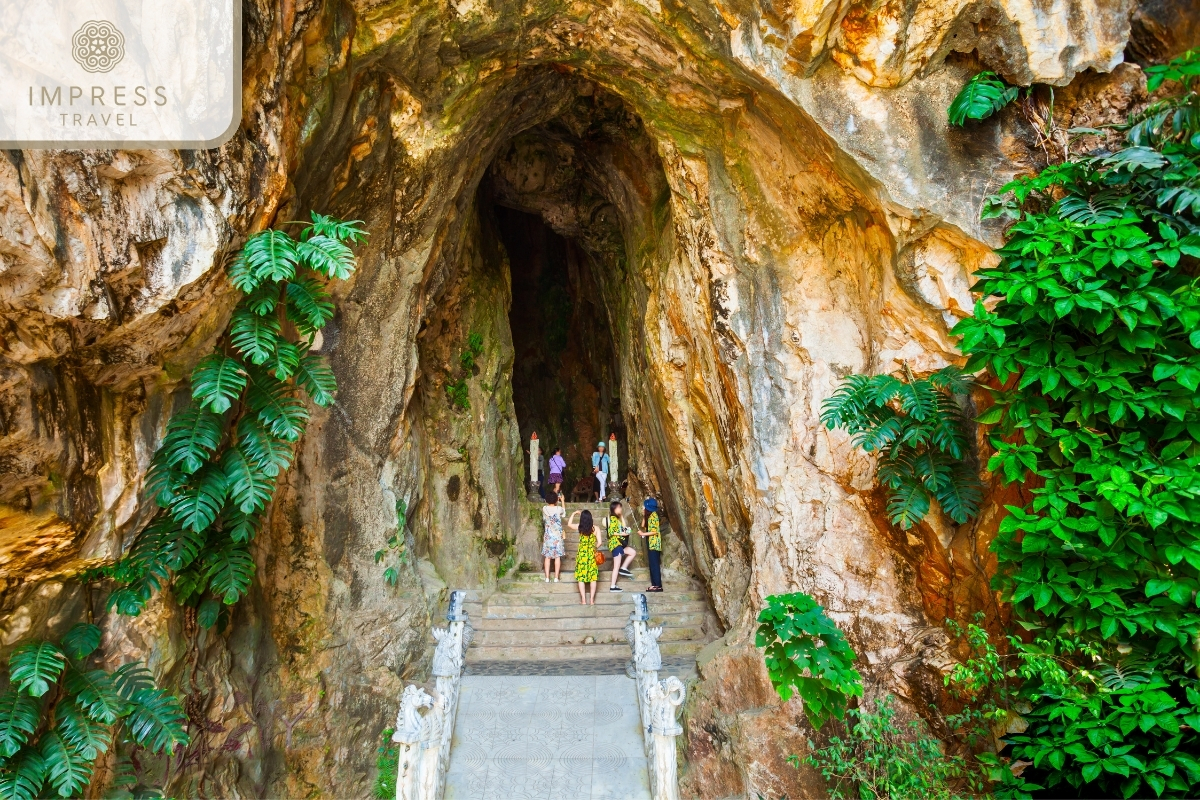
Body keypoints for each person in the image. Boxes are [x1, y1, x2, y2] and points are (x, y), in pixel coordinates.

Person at [568, 509, 599, 605]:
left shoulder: (580, 527)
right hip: (591, 555)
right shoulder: (596, 528)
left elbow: (569, 524)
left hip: (582, 555)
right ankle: (592, 600)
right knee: (593, 578)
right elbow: (600, 542)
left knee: (581, 578)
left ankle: (583, 600)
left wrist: (573, 513)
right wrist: (593, 548)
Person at [606, 500, 636, 592]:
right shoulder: (613, 519)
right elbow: (611, 532)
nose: (621, 509)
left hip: (620, 544)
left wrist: (622, 517)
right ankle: (613, 586)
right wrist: (623, 534)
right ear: (614, 508)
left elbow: (623, 527)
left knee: (632, 552)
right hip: (616, 544)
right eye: (619, 507)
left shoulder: (617, 519)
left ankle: (624, 568)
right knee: (616, 566)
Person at [638, 497, 663, 592]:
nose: (643, 507)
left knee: (655, 564)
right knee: (652, 564)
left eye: (645, 506)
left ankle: (658, 586)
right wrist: (644, 515)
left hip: (654, 543)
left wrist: (643, 534)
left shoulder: (654, 516)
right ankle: (654, 584)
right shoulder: (650, 515)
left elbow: (654, 531)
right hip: (651, 543)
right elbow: (643, 525)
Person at [541, 489, 566, 582]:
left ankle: (547, 578)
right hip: (557, 536)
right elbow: (564, 514)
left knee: (547, 557)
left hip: (548, 536)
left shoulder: (544, 508)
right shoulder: (558, 509)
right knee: (557, 557)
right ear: (556, 499)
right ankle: (556, 577)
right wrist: (562, 501)